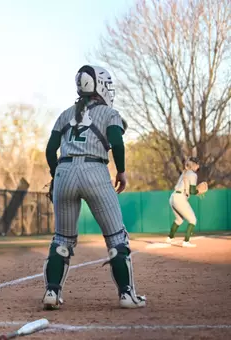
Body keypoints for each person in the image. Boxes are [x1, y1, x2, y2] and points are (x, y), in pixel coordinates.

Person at [42, 65, 145, 310]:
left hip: (64, 170)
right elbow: (117, 143)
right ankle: (127, 295)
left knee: (62, 239)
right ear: (99, 85)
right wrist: (121, 170)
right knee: (116, 237)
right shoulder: (110, 113)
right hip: (95, 170)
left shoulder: (66, 113)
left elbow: (49, 150)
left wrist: (55, 174)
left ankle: (52, 293)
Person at [166, 157, 208, 247]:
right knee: (193, 220)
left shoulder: (184, 172)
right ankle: (186, 241)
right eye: (197, 164)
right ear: (194, 164)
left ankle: (170, 238)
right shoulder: (193, 174)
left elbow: (189, 189)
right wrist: (198, 191)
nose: (198, 166)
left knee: (179, 220)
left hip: (173, 197)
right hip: (180, 198)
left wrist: (194, 191)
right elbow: (193, 191)